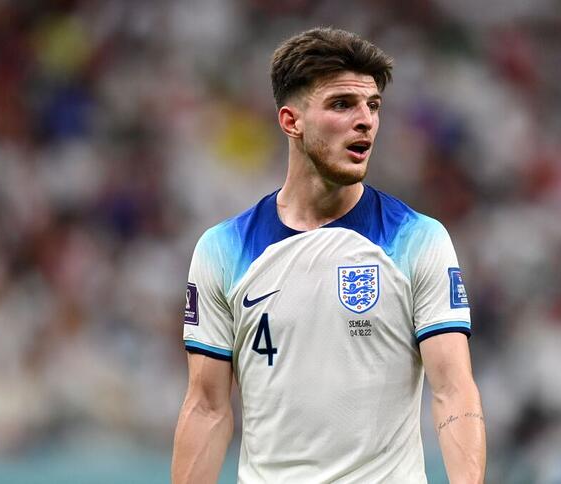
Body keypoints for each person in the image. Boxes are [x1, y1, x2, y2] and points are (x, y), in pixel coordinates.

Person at [171, 27, 486, 483]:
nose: (366, 120)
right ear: (290, 121)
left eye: (373, 105)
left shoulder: (418, 239)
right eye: (343, 104)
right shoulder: (223, 249)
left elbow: (454, 391)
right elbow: (206, 407)